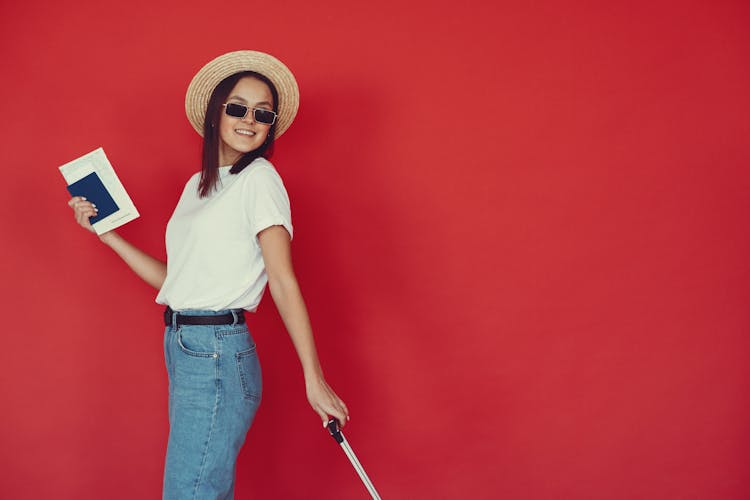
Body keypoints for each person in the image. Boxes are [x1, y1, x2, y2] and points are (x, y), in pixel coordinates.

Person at [67, 50, 349, 499]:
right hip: (186, 347)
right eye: (237, 107)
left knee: (190, 491)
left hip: (216, 351)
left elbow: (283, 279)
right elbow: (178, 282)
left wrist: (312, 377)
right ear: (216, 112)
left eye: (262, 113)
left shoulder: (259, 179)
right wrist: (109, 237)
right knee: (198, 488)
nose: (249, 119)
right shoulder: (199, 185)